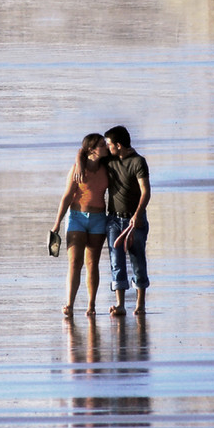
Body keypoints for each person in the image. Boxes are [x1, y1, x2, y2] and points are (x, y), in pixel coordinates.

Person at [52, 134, 109, 316]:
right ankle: (69, 304)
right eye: (101, 145)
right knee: (75, 262)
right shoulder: (77, 169)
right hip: (76, 217)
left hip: (98, 218)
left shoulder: (107, 166)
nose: (105, 147)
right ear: (92, 149)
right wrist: (57, 224)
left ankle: (91, 305)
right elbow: (67, 196)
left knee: (92, 264)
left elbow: (80, 151)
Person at [103, 125, 150, 316]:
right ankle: (120, 304)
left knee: (137, 260)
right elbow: (84, 152)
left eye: (109, 144)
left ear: (119, 145)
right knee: (116, 262)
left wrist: (138, 215)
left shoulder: (138, 162)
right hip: (114, 220)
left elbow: (146, 191)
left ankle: (140, 305)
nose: (107, 147)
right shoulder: (110, 159)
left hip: (135, 221)